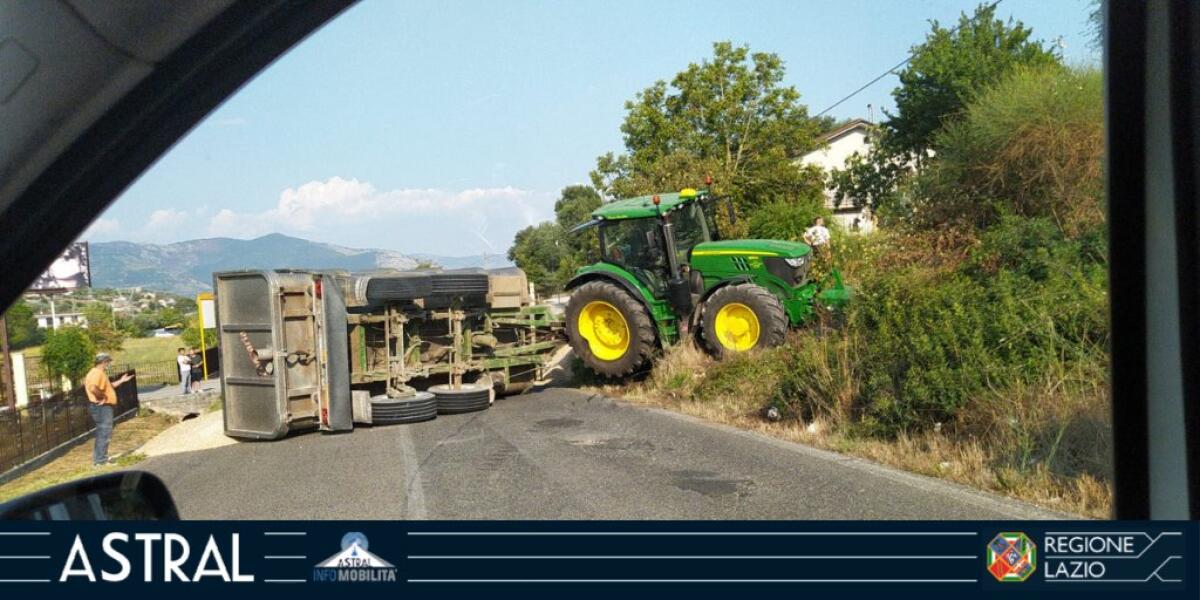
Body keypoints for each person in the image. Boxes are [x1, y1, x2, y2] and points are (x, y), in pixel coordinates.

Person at [84, 353, 133, 466]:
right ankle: (100, 461)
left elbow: (109, 386)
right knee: (104, 433)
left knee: (103, 432)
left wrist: (121, 381)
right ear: (103, 362)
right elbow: (93, 388)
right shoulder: (97, 373)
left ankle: (100, 459)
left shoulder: (97, 373)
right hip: (102, 407)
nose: (109, 364)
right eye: (108, 362)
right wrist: (103, 397)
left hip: (101, 407)